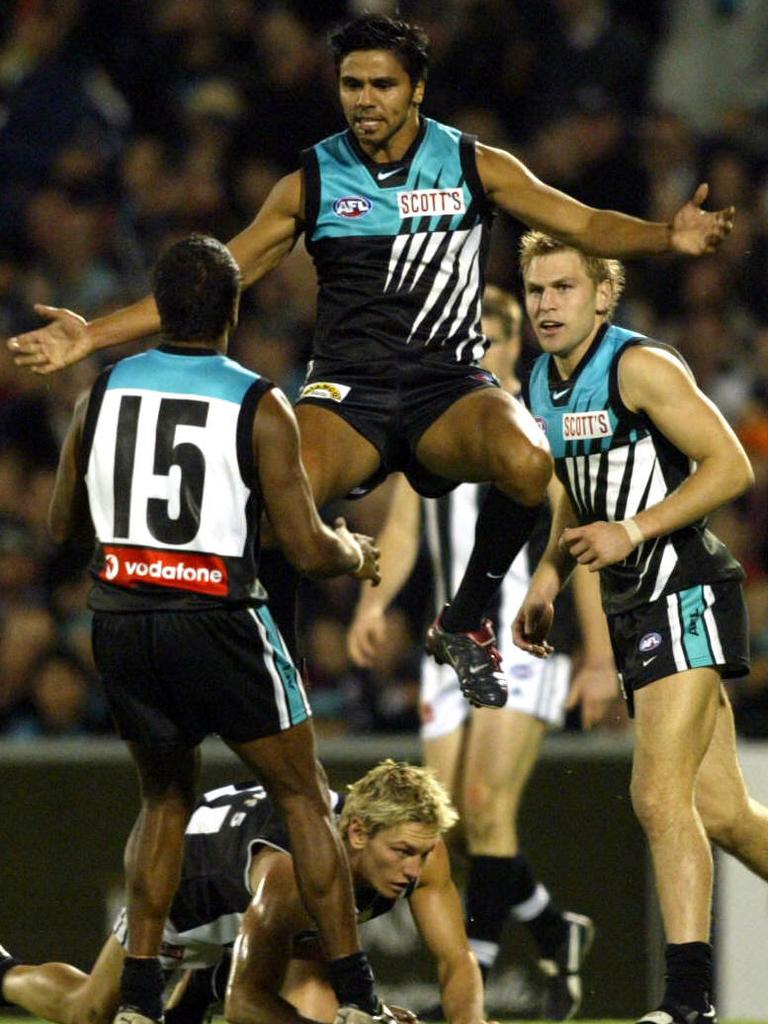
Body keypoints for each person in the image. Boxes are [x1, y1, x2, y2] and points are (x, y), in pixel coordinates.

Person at [7, 13, 735, 710]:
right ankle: (277, 679)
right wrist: (91, 336)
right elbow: (215, 277)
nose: (365, 100)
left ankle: (464, 620)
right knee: (270, 510)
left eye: (382, 85)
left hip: (448, 386)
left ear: (416, 89)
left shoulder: (475, 164)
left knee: (525, 460)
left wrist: (668, 236)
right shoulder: (312, 181)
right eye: (352, 84)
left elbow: (580, 222)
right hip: (345, 393)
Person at [41, 233, 387, 1024]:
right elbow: (302, 545)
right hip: (220, 618)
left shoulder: (104, 390)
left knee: (164, 800)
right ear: (233, 311)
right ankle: (359, 997)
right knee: (305, 795)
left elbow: (63, 522)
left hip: (123, 617)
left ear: (159, 309)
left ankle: (135, 1000)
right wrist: (354, 552)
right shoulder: (258, 402)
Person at [512, 231, 768, 1024]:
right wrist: (550, 574)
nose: (547, 305)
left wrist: (635, 529)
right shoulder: (541, 382)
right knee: (724, 815)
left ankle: (689, 1002)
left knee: (657, 795)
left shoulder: (640, 366)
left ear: (602, 294)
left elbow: (731, 464)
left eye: (562, 288)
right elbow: (570, 488)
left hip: (684, 588)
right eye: (536, 290)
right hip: (632, 607)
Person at [347, 286, 616, 1021]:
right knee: (451, 830)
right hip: (449, 648)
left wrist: (596, 655)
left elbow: (578, 536)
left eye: (493, 339)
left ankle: (478, 977)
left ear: (513, 347)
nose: (481, 352)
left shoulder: (536, 425)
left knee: (483, 806)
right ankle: (555, 929)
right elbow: (404, 531)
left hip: (523, 639)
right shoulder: (429, 420)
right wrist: (373, 602)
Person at [0, 760, 495, 1024]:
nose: (414, 870)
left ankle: (202, 987)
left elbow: (456, 960)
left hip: (258, 905)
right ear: (359, 833)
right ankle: (4, 975)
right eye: (403, 852)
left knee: (321, 993)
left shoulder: (422, 848)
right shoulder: (289, 875)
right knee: (88, 1012)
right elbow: (246, 1006)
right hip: (190, 887)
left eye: (422, 853)